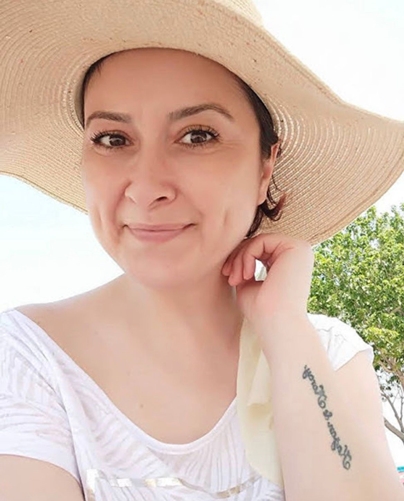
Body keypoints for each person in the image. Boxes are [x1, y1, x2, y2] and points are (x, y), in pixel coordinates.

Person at [0, 1, 403, 500]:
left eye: (197, 136)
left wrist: (283, 328)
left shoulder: (327, 353)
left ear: (265, 167)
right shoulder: (27, 359)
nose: (146, 188)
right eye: (112, 138)